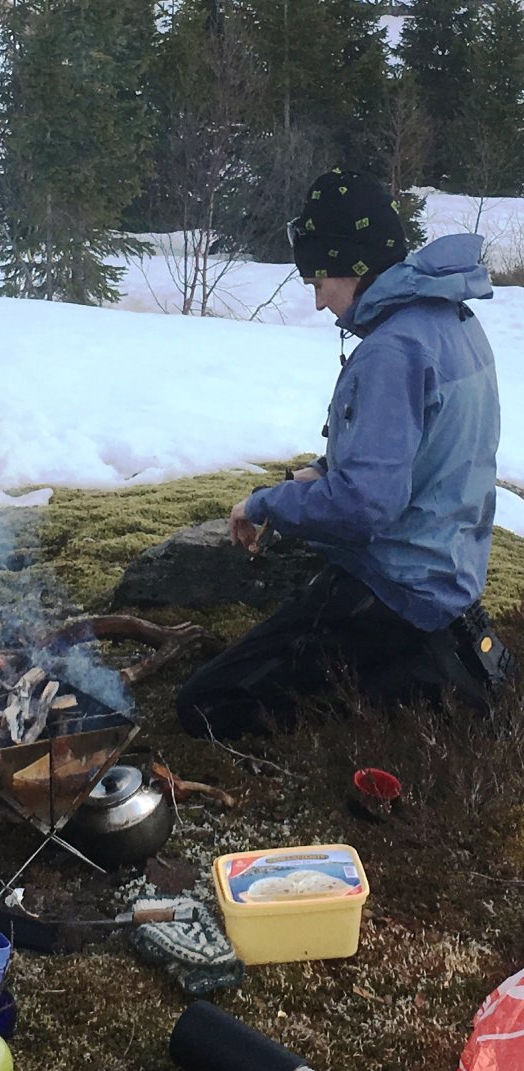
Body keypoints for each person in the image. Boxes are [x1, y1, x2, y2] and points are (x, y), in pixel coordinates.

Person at [177, 167, 510, 740]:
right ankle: (407, 681)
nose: (317, 301)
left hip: (395, 586)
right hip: (450, 569)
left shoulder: (391, 351)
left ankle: (394, 700)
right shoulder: (451, 318)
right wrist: (323, 471)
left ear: (353, 266)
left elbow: (364, 506)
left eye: (317, 280)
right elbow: (427, 443)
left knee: (206, 705)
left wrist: (265, 503)